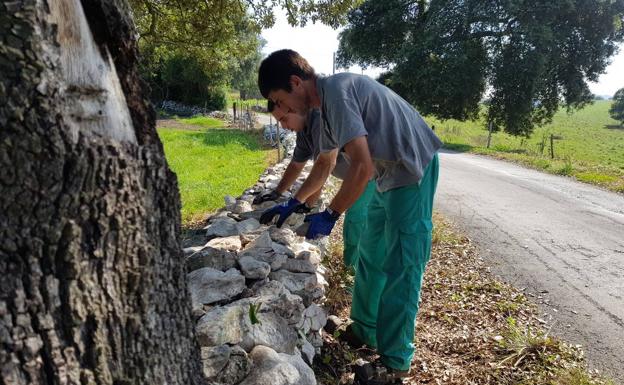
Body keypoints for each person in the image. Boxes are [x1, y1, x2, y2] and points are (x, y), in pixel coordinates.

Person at [257, 49, 442, 384]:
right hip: (386, 176)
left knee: (403, 262)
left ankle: (395, 361)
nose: (282, 110)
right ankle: (365, 329)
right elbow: (324, 165)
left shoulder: (337, 92)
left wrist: (331, 213)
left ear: (296, 83)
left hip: (412, 167)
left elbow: (361, 164)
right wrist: (294, 202)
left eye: (279, 100)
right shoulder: (321, 109)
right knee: (371, 252)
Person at [257, 101, 375, 269]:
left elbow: (324, 166)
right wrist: (278, 192)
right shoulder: (304, 132)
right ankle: (356, 269)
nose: (284, 126)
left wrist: (299, 203)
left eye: (284, 119)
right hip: (360, 173)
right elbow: (297, 165)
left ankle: (353, 270)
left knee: (356, 220)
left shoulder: (319, 120)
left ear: (296, 108)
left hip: (370, 173)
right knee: (363, 220)